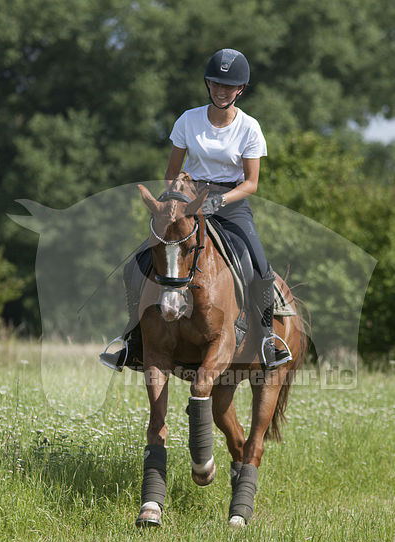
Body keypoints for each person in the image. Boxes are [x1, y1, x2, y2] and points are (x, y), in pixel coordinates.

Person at [100, 48, 292, 371]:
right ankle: (133, 341)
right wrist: (178, 191)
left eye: (228, 86)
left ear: (240, 90)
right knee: (136, 264)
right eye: (215, 84)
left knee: (259, 266)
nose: (220, 91)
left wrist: (220, 200)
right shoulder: (188, 120)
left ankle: (267, 340)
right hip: (187, 202)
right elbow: (170, 173)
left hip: (231, 205)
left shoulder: (249, 128)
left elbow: (251, 183)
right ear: (208, 85)